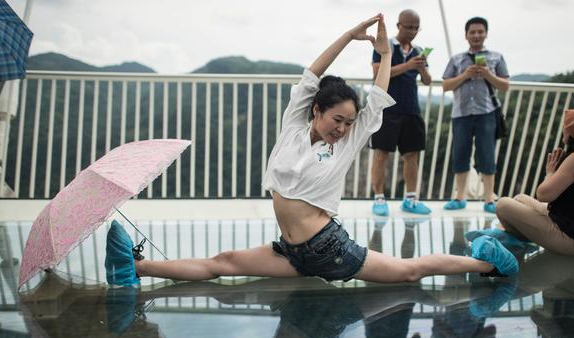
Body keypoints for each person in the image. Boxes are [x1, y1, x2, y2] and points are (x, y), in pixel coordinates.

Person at [104, 15, 518, 289]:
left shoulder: (349, 140)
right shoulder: (292, 127)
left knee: (410, 271)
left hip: (330, 250)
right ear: (316, 110)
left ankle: (490, 265)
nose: (342, 129)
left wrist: (386, 51)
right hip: (292, 249)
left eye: (349, 122)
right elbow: (312, 74)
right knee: (223, 262)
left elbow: (378, 92)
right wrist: (348, 37)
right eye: (337, 119)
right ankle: (134, 270)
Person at [467, 105, 574, 256]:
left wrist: (550, 173)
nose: (564, 129)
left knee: (503, 205)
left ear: (573, 131)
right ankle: (519, 235)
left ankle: (516, 239)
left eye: (566, 126)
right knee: (519, 199)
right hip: (572, 225)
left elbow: (543, 195)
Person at [442, 17, 509, 214]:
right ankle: (459, 197)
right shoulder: (456, 59)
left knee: (487, 154)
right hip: (461, 114)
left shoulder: (496, 57)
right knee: (460, 154)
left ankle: (489, 198)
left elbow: (505, 85)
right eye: (472, 32)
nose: (476, 35)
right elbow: (446, 85)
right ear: (466, 35)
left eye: (480, 31)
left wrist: (488, 74)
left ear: (486, 34)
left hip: (486, 112)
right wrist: (465, 75)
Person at [370, 9, 432, 217]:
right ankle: (378, 198)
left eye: (416, 27)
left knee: (412, 155)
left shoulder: (419, 50)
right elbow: (378, 72)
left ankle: (411, 199)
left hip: (411, 108)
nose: (413, 31)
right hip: (387, 108)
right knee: (381, 154)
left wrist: (421, 67)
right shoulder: (384, 46)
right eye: (409, 27)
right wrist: (407, 65)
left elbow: (427, 81)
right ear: (399, 26)